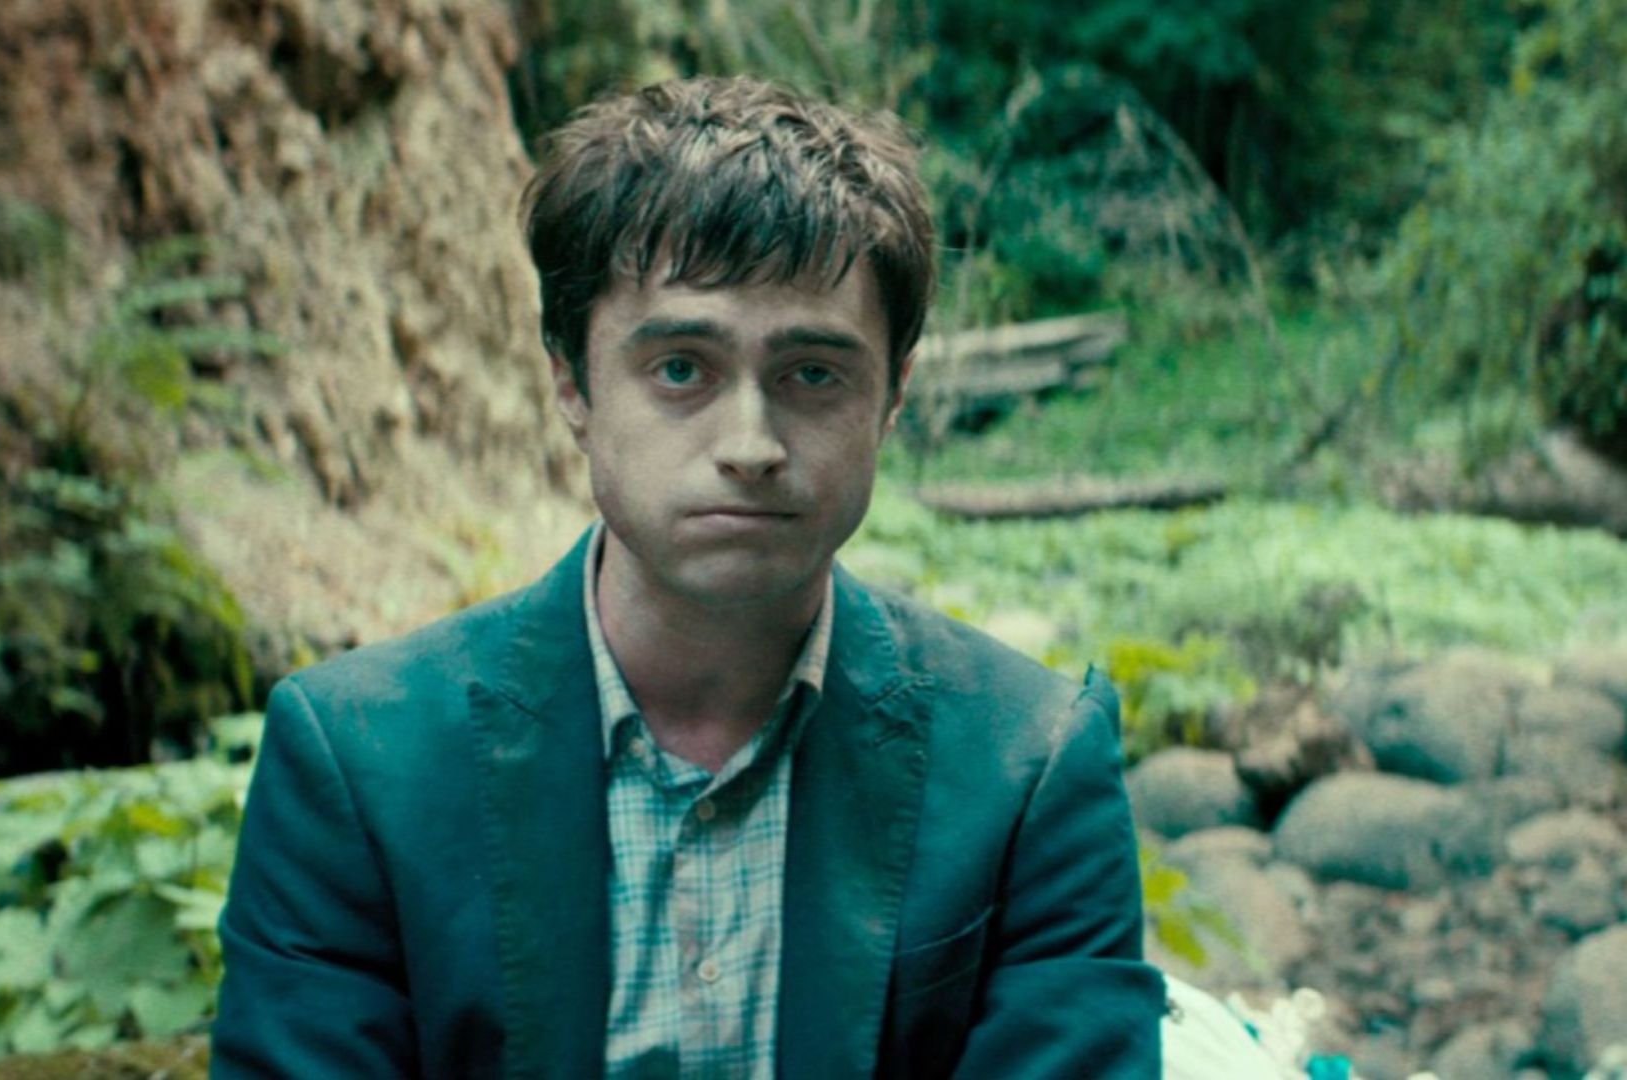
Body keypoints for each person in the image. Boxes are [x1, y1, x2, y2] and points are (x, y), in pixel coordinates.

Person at [212, 75, 1163, 1078]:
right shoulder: (361, 766)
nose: (750, 445)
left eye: (812, 375)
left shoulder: (1030, 765)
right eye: (680, 369)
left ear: (893, 396)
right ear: (572, 382)